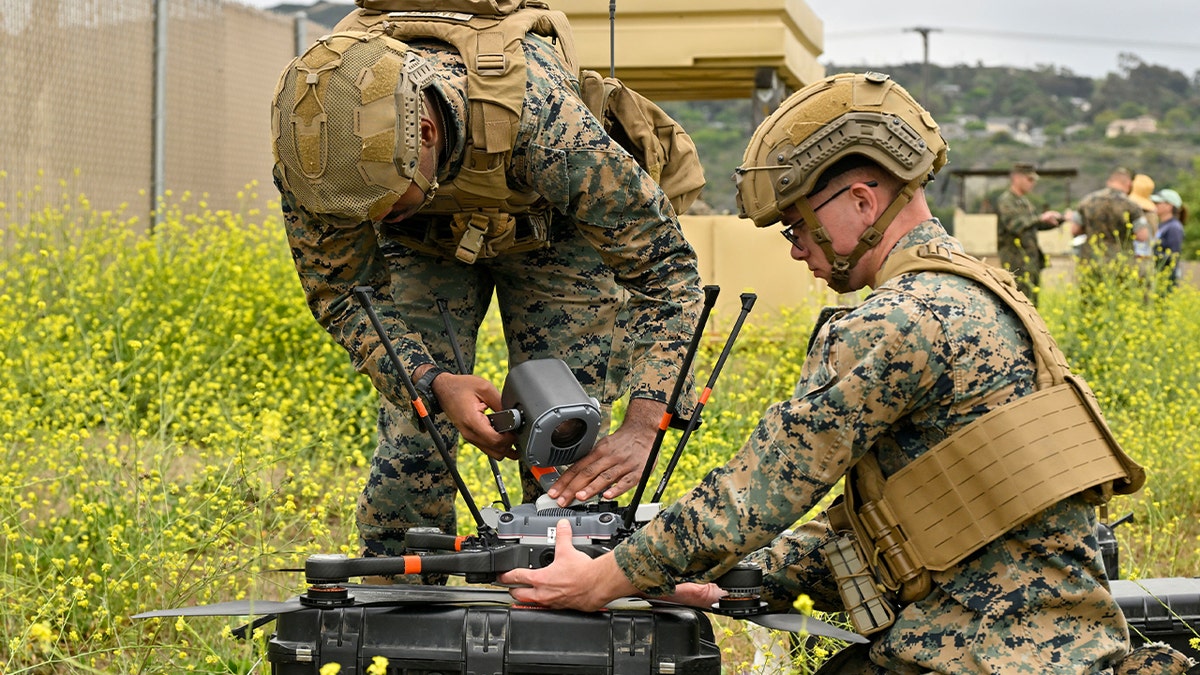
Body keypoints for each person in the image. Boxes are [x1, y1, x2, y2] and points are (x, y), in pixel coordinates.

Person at [500, 73, 1191, 674]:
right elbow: (904, 534)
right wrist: (708, 574)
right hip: (1057, 647)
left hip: (971, 655)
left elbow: (755, 493)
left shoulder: (896, 322)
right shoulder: (989, 295)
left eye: (798, 225)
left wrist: (603, 578)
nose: (798, 249)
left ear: (863, 201)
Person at [269, 21, 702, 574]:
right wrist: (431, 381)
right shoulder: (318, 163)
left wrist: (647, 422)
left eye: (381, 200)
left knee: (566, 427)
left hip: (555, 228)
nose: (369, 219)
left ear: (424, 132)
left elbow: (665, 270)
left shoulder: (548, 125)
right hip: (422, 242)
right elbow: (343, 294)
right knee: (417, 436)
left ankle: (570, 584)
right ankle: (399, 598)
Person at [1067, 168, 1151, 296]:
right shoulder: (1131, 205)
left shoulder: (1087, 201)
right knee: (1119, 302)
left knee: (1091, 303)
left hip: (1091, 261)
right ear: (1128, 184)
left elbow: (1074, 230)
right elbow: (1142, 236)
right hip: (1121, 263)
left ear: (1109, 181)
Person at [995, 162, 1062, 304]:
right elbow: (1015, 225)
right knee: (1019, 304)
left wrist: (1057, 220)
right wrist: (1040, 218)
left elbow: (1032, 225)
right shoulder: (1007, 201)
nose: (1032, 184)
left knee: (1031, 303)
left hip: (1030, 262)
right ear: (1016, 178)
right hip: (1016, 263)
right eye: (1029, 179)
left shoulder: (1024, 202)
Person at [1153, 188, 1187, 288]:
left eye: (1159, 202)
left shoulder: (1174, 227)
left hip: (1167, 277)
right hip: (1159, 276)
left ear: (1169, 206)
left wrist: (1152, 254)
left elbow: (1174, 256)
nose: (1156, 205)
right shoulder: (1162, 225)